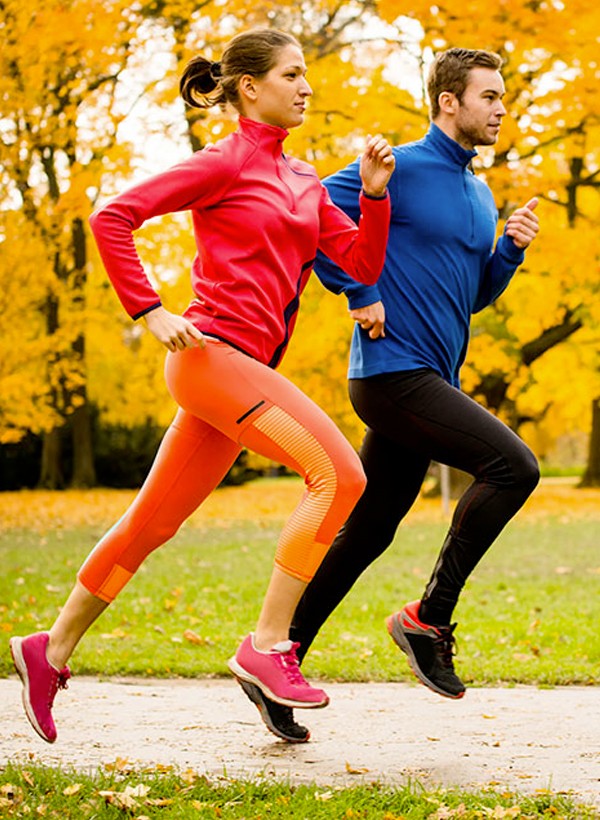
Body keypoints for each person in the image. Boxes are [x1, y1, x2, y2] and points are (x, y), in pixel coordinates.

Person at [9, 27, 395, 745]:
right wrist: (149, 311)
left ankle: (50, 648)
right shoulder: (221, 163)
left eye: (306, 75)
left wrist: (374, 195)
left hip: (243, 375)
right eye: (292, 74)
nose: (306, 87)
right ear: (250, 87)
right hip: (209, 357)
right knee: (339, 474)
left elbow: (362, 264)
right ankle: (268, 646)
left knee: (152, 523)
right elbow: (113, 217)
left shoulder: (306, 181)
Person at [238, 47, 541, 742]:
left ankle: (276, 659)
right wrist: (361, 291)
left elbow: (475, 298)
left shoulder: (478, 192)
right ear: (448, 102)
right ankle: (429, 617)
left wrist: (509, 254)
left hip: (431, 373)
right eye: (488, 97)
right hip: (392, 373)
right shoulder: (398, 166)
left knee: (369, 529)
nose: (500, 109)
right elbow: (313, 219)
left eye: (502, 98)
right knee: (513, 466)